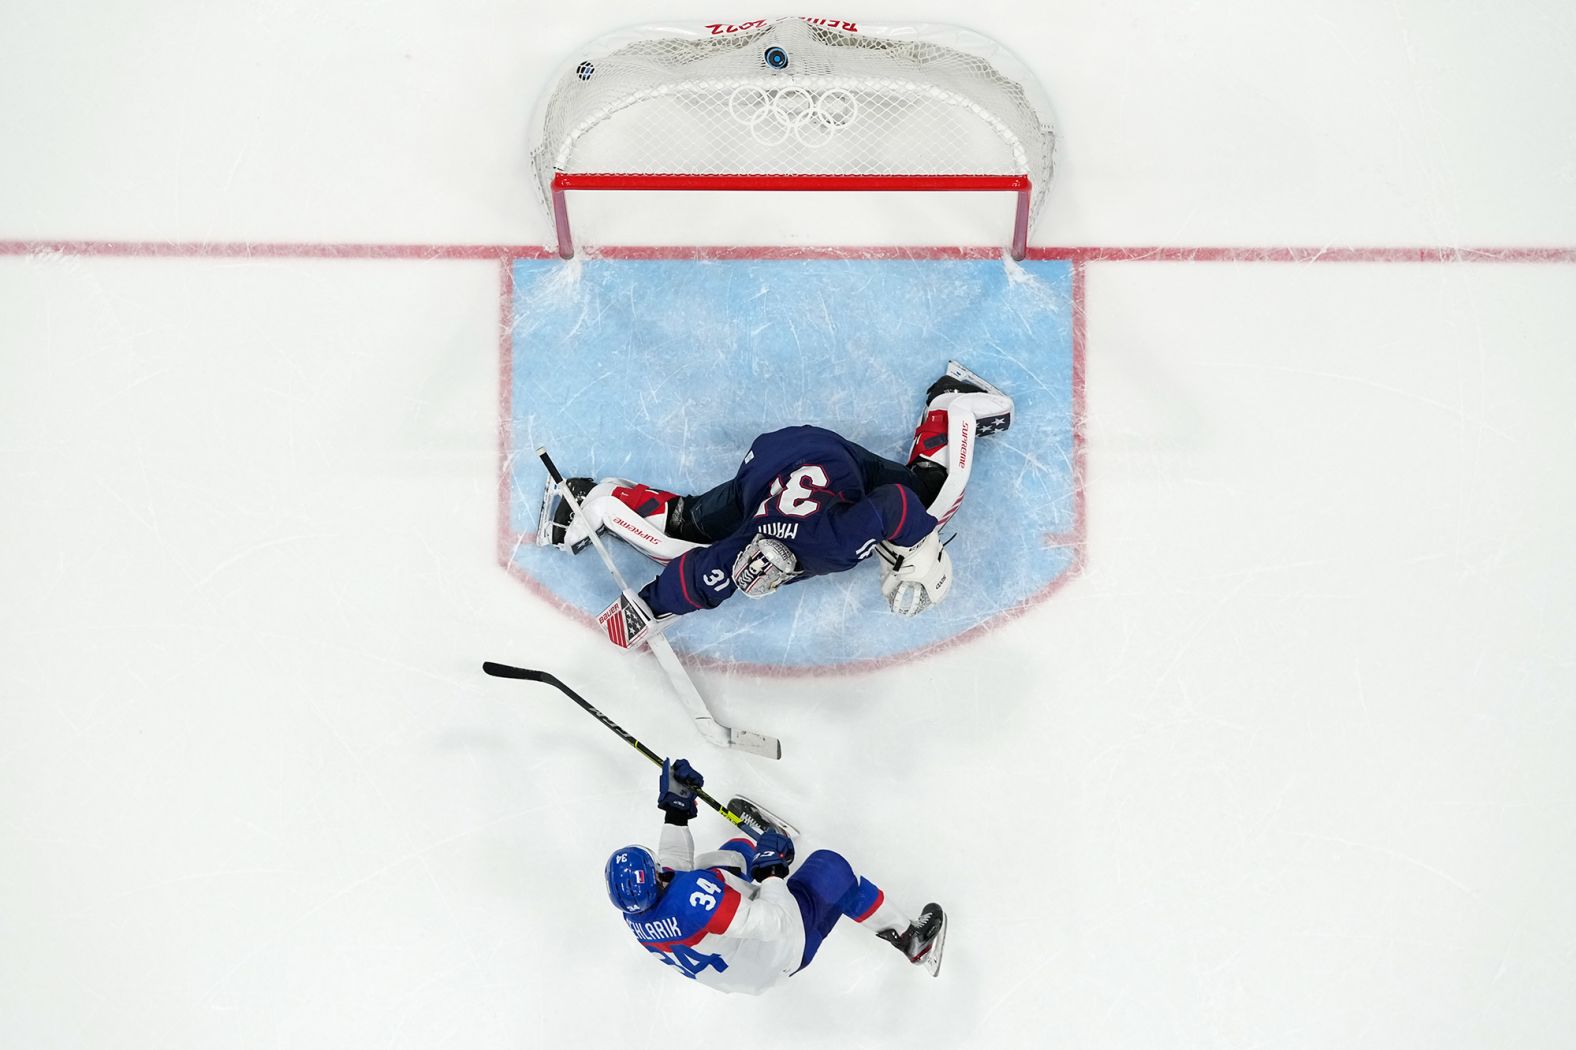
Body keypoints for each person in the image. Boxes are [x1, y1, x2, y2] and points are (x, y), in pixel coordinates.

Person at [539, 360, 1013, 646]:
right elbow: (697, 580)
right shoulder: (803, 545)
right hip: (791, 462)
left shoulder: (815, 543)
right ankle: (953, 403)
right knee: (679, 548)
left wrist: (915, 540)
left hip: (788, 462)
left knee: (683, 536)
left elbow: (894, 506)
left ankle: (594, 501)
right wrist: (646, 606)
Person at [605, 757, 946, 993]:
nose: (663, 872)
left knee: (730, 855)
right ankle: (911, 940)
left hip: (737, 957)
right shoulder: (693, 900)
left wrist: (676, 815)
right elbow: (775, 923)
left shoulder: (636, 909)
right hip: (780, 951)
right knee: (833, 869)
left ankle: (769, 852)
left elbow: (675, 874)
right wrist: (771, 873)